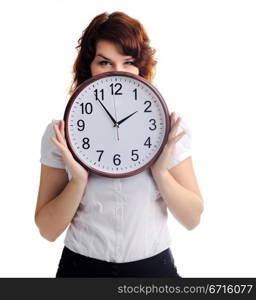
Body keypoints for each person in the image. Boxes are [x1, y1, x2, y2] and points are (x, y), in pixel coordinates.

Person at [34, 11, 204, 278]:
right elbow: (47, 230)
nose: (118, 74)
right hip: (81, 269)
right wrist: (78, 180)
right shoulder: (60, 133)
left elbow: (192, 219)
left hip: (153, 270)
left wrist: (160, 172)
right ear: (88, 67)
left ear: (141, 67)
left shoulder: (169, 130)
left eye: (128, 63)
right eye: (104, 63)